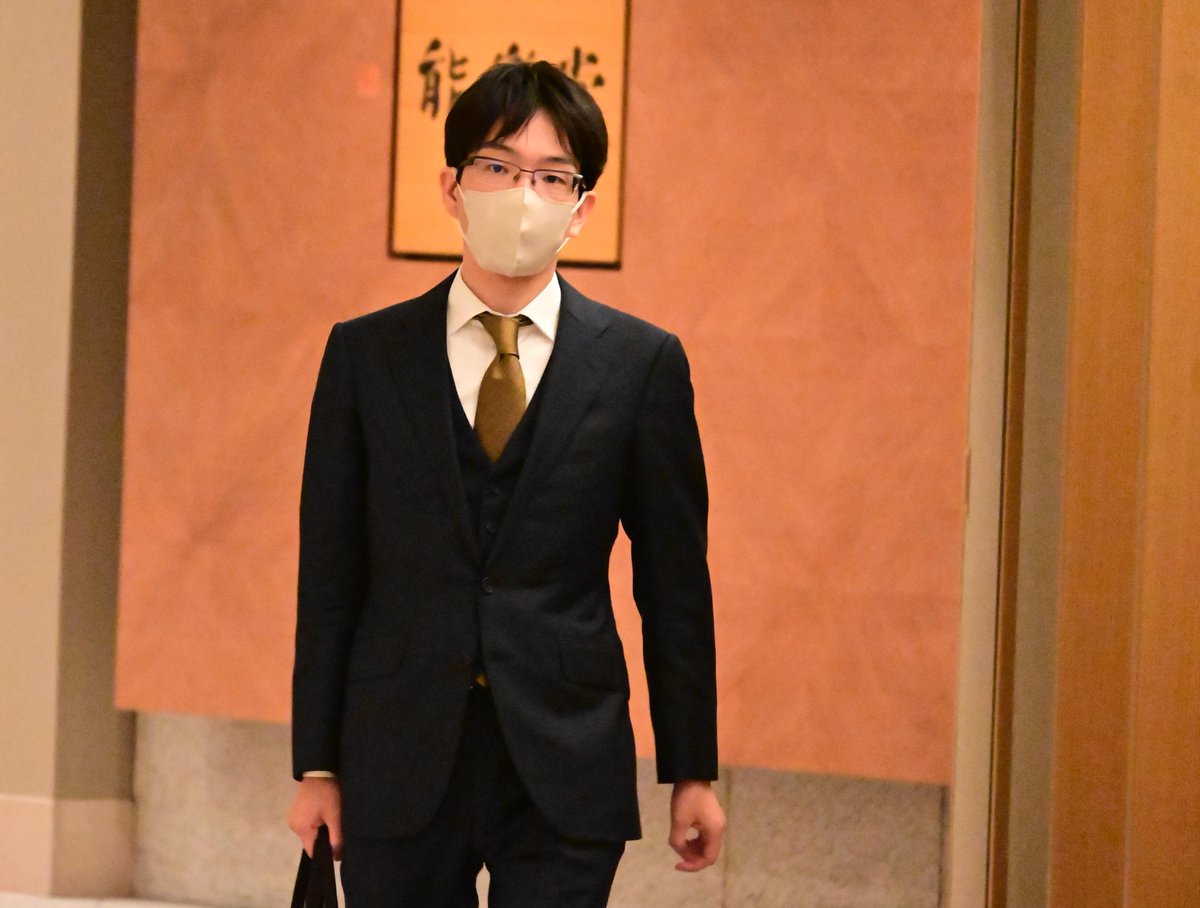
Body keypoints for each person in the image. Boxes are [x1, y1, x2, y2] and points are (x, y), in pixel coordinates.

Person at [287, 60, 723, 907]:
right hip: (397, 750)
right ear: (452, 187)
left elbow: (674, 583)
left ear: (581, 208)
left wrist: (692, 771)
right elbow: (330, 573)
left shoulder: (641, 366)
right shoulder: (366, 355)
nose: (524, 194)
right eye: (497, 166)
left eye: (552, 176)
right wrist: (318, 763)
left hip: (567, 755)